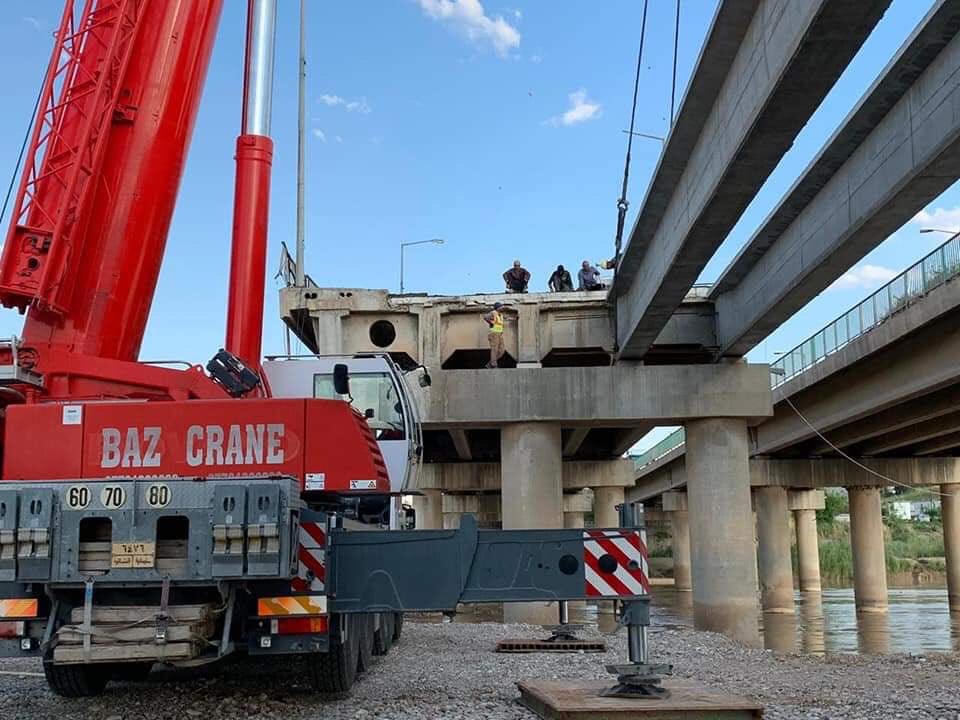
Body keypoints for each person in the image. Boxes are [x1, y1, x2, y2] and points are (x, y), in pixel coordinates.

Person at [482, 302, 506, 368]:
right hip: (494, 334)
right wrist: (491, 322)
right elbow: (485, 317)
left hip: (499, 334)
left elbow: (505, 319)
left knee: (502, 350)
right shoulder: (493, 313)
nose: (502, 307)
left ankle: (490, 363)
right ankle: (493, 364)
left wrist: (515, 318)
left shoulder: (500, 315)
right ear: (498, 307)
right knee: (494, 349)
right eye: (501, 306)